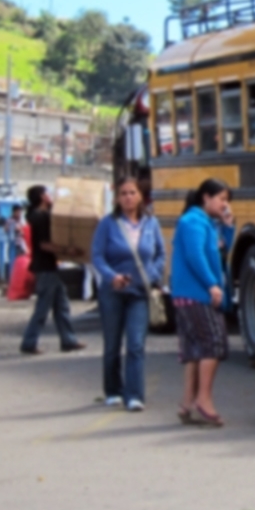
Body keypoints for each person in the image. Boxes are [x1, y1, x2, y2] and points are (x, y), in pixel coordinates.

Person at [90, 177, 166, 412]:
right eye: (123, 193)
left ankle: (134, 395)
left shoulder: (151, 223)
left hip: (140, 293)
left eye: (132, 192)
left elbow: (161, 254)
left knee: (135, 344)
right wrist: (112, 276)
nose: (128, 197)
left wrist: (152, 275)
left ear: (140, 196)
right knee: (112, 344)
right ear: (117, 198)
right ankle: (113, 390)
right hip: (113, 292)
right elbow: (97, 255)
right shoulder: (108, 224)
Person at [169, 178, 234, 427]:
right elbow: (195, 255)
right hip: (195, 294)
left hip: (190, 294)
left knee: (195, 350)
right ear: (206, 197)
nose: (225, 205)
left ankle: (187, 403)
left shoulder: (205, 223)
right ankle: (203, 400)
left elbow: (220, 250)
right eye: (221, 199)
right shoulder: (193, 221)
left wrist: (228, 227)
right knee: (214, 343)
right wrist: (212, 284)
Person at [20, 185, 86, 355]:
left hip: (49, 268)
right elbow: (44, 245)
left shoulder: (39, 215)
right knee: (43, 308)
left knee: (61, 304)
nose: (50, 196)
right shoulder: (40, 217)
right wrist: (66, 250)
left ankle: (68, 340)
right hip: (45, 268)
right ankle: (29, 342)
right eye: (47, 194)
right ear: (42, 197)